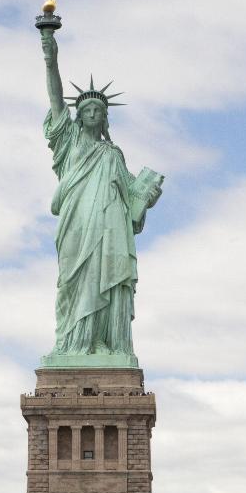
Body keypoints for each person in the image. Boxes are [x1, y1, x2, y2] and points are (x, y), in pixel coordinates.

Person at [38, 23, 162, 363]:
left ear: (105, 119)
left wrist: (146, 197)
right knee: (72, 282)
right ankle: (72, 344)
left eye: (99, 111)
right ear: (78, 117)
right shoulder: (69, 142)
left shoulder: (113, 155)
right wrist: (50, 50)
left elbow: (133, 198)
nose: (92, 113)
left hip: (110, 230)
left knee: (105, 277)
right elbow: (54, 94)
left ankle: (106, 344)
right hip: (76, 225)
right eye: (86, 110)